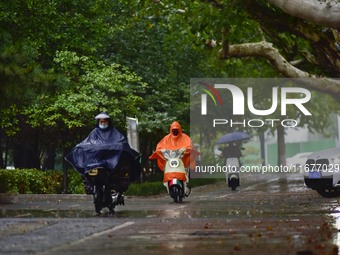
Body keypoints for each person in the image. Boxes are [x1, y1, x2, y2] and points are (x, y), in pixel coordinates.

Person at [65, 112, 141, 194]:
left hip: (112, 166)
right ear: (98, 122)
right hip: (95, 163)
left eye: (105, 121)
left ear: (108, 122)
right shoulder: (95, 133)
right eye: (101, 122)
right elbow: (86, 143)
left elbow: (121, 144)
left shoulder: (114, 133)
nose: (103, 123)